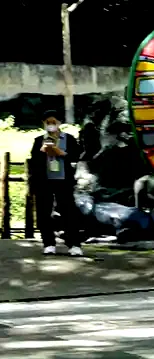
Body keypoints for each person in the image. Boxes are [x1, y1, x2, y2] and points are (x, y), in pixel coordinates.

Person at [28, 110, 84, 256]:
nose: (51, 125)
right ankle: (48, 243)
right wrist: (42, 151)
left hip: (63, 180)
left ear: (59, 123)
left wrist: (61, 153)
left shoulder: (69, 139)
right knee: (44, 212)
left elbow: (76, 155)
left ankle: (74, 244)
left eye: (54, 122)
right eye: (48, 122)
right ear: (43, 124)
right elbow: (33, 162)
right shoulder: (39, 140)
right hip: (44, 181)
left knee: (68, 211)